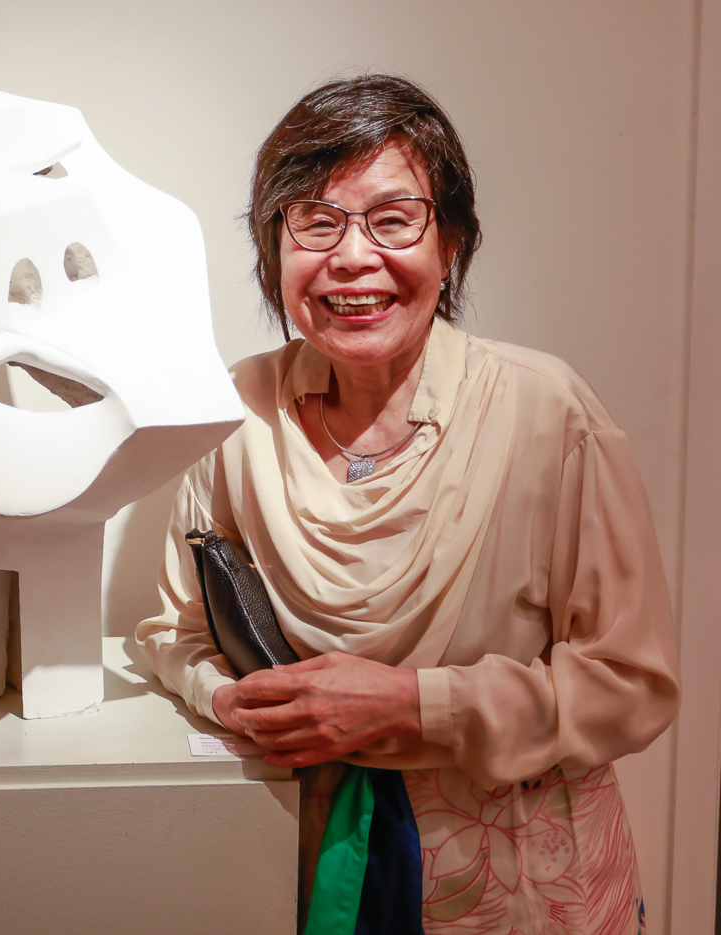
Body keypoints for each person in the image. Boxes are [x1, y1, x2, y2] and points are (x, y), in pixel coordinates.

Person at [136, 74, 680, 934]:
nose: (353, 258)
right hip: (302, 854)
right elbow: (176, 631)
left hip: (521, 879)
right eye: (316, 222)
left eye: (393, 219)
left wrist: (409, 705)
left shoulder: (545, 412)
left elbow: (632, 684)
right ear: (273, 250)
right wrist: (222, 697)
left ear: (451, 244)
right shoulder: (235, 414)